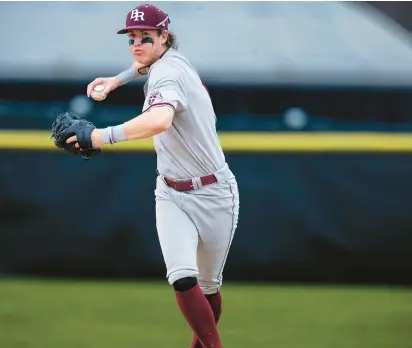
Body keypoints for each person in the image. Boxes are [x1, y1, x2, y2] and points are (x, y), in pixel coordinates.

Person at [67, 4, 239, 347]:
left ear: (164, 37)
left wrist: (100, 136)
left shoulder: (168, 74)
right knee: (182, 279)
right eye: (131, 37)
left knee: (208, 288)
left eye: (145, 36)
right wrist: (118, 79)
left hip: (214, 193)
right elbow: (142, 64)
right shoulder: (167, 61)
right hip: (171, 192)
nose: (137, 43)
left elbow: (159, 120)